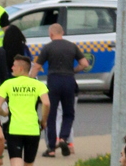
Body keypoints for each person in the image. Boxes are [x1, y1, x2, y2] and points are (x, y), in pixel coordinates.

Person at [0, 56, 50, 166]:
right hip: (32, 129)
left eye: (13, 66)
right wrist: (43, 121)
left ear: (20, 68)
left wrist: (5, 113)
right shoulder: (38, 85)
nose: (11, 68)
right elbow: (47, 103)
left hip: (14, 130)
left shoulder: (8, 84)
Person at [33, 22, 90, 157]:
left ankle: (51, 148)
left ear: (51, 34)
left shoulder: (48, 47)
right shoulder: (72, 46)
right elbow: (84, 64)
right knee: (68, 113)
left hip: (53, 81)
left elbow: (36, 66)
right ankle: (64, 138)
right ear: (62, 33)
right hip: (69, 80)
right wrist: (73, 70)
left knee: (51, 114)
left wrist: (29, 80)